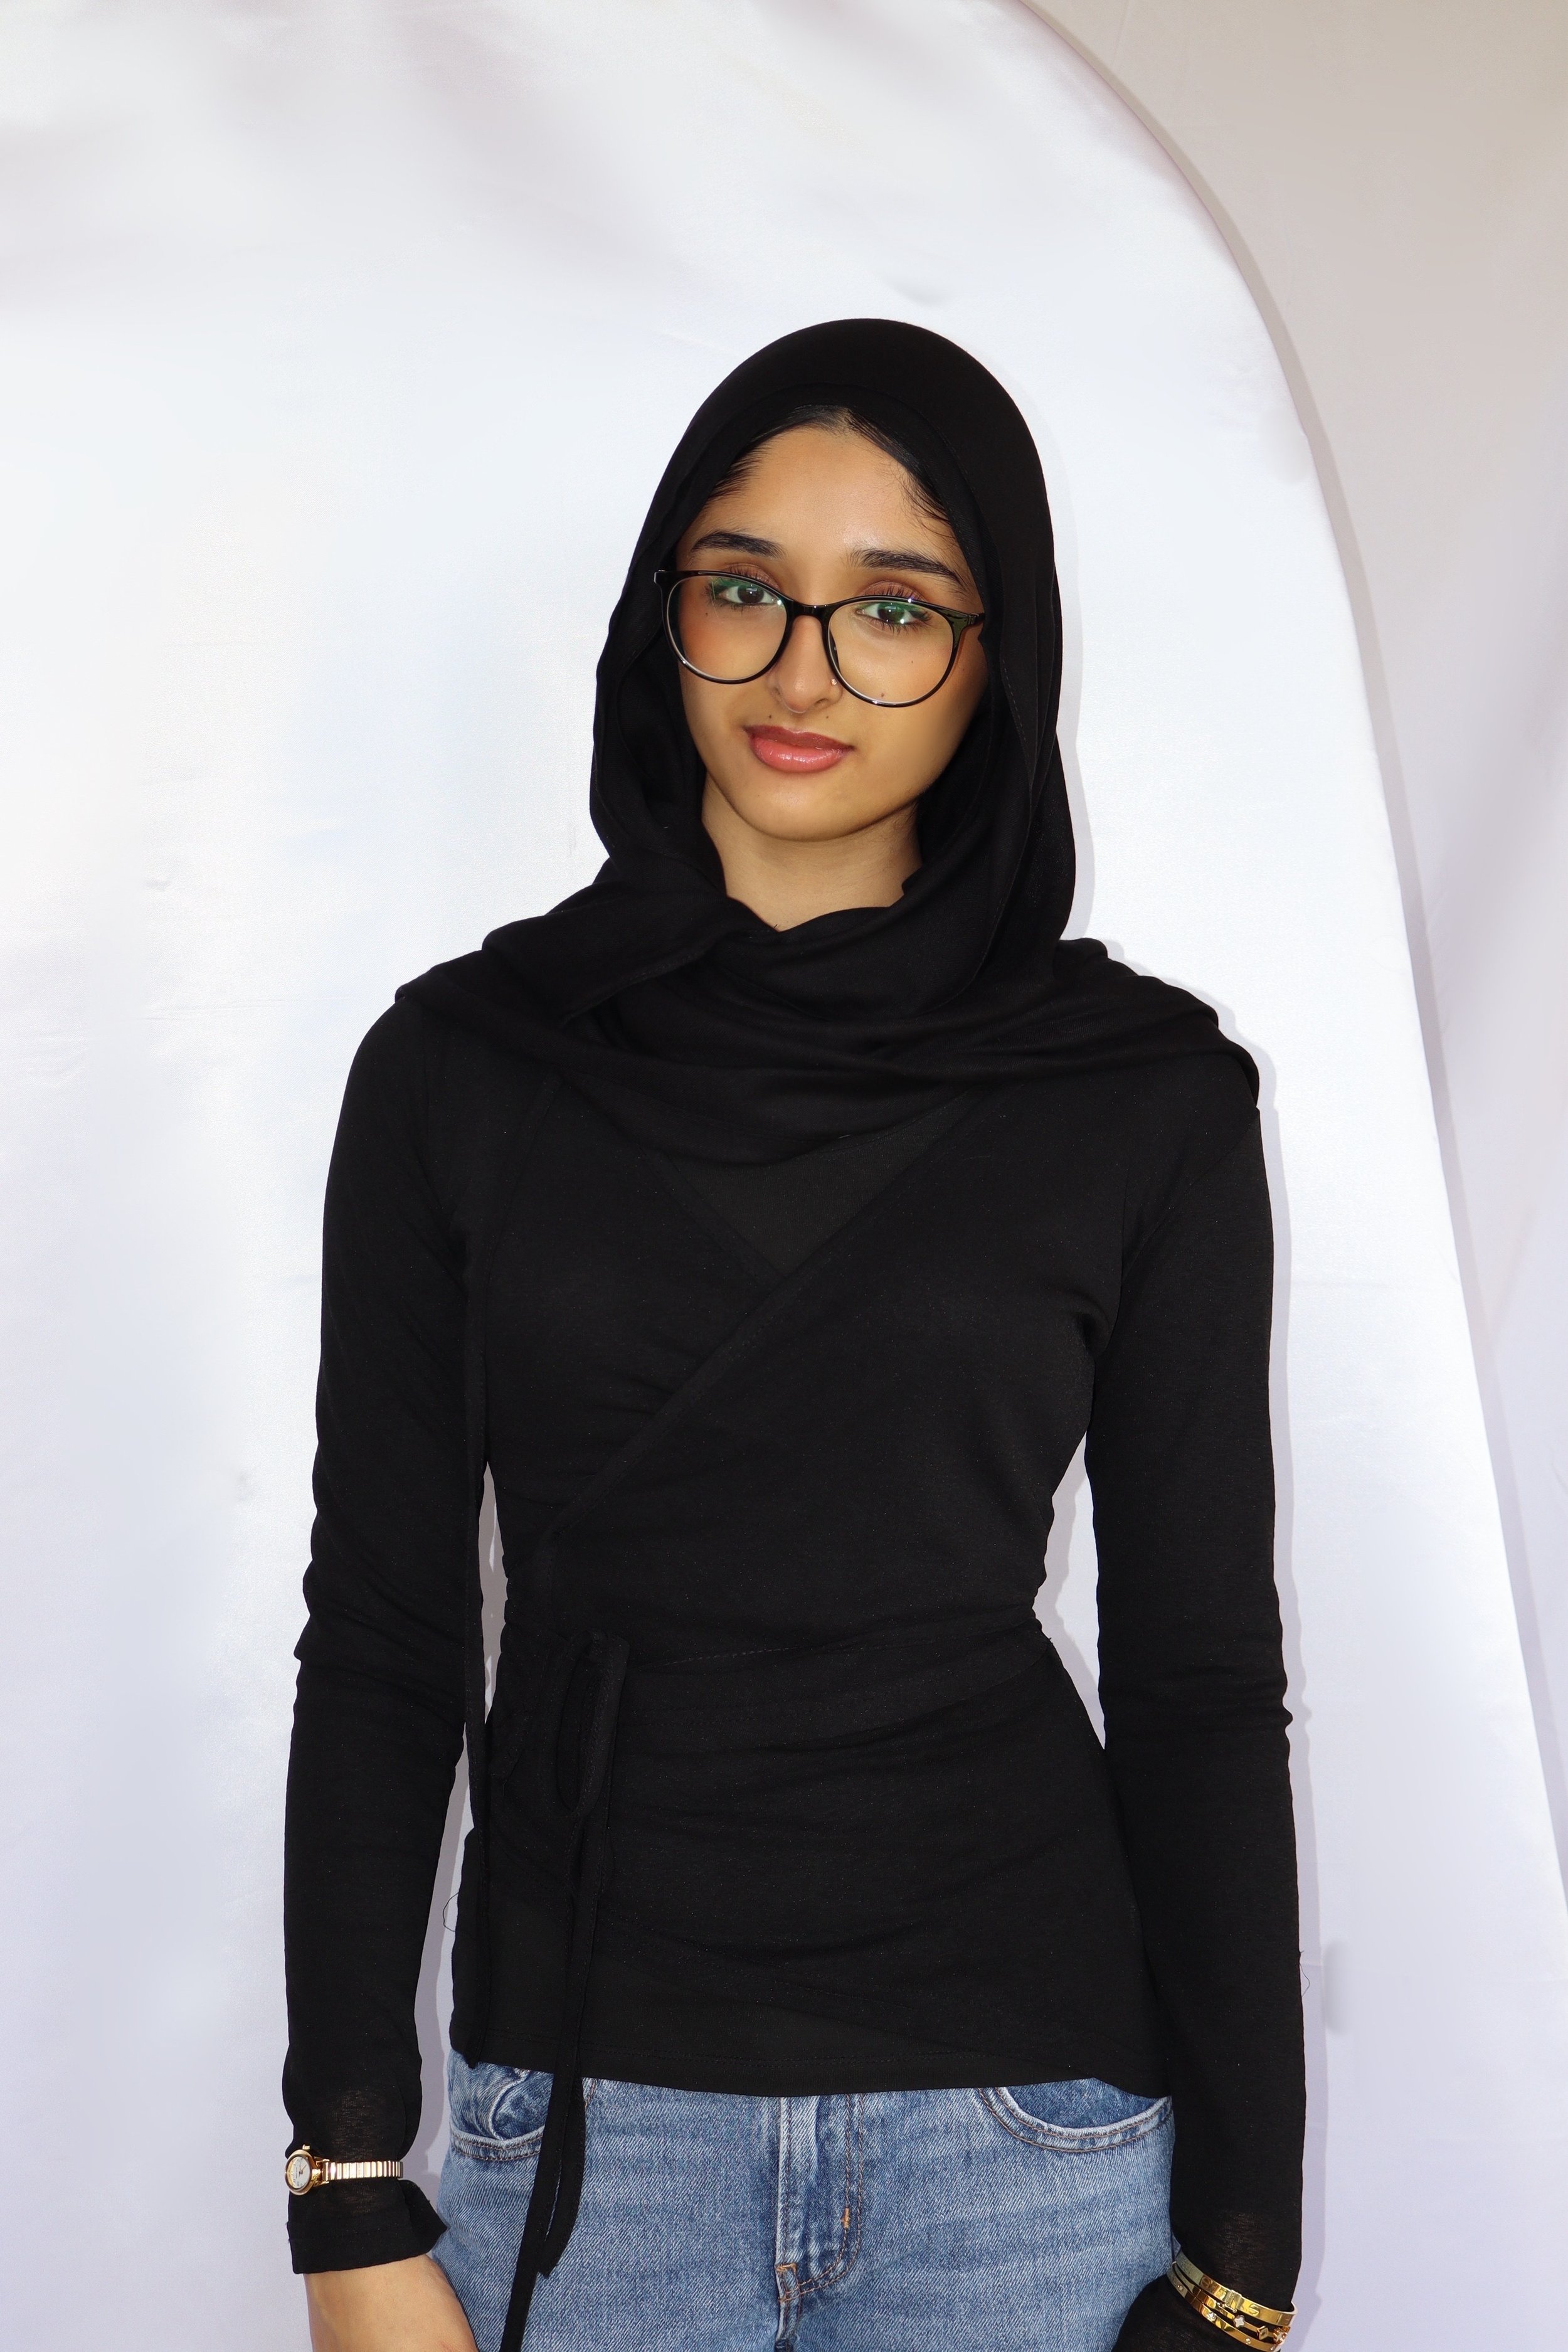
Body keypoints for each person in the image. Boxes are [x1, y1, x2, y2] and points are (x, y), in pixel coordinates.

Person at [283, 319, 1305, 2352]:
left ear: (994, 656)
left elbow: (1198, 1681)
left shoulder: (1142, 1094)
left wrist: (1242, 2261)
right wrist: (347, 2174)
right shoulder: (462, 1070)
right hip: (579, 2128)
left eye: (894, 609)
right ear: (663, 619)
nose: (803, 669)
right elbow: (390, 1632)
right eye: (743, 589)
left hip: (1026, 2140)